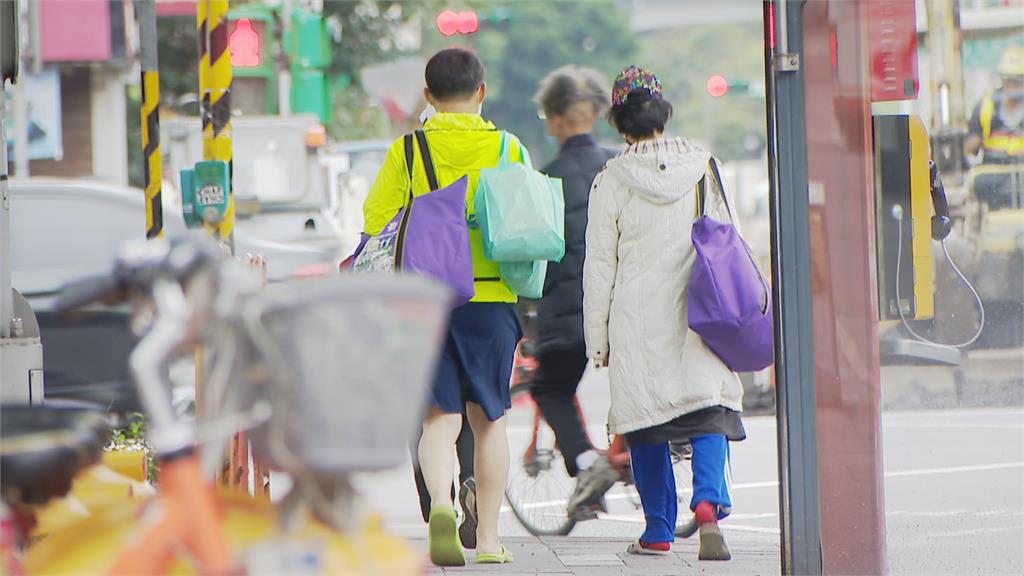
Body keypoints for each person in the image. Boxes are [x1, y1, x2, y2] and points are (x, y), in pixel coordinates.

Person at [362, 47, 526, 567]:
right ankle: (492, 540)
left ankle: (440, 507)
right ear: (482, 92)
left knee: (439, 418)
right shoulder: (507, 148)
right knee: (490, 421)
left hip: (425, 299)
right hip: (490, 296)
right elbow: (523, 225)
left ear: (428, 96)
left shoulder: (407, 151)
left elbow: (374, 222)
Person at [582, 65, 746, 561]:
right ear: (663, 113)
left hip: (636, 318)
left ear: (618, 121)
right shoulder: (703, 165)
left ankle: (657, 529)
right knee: (707, 408)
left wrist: (597, 341)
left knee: (645, 419)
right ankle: (708, 506)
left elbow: (599, 268)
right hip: (698, 310)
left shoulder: (610, 180)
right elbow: (728, 239)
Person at [526, 66, 622, 514]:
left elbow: (537, 253)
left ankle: (586, 463)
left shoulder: (546, 179)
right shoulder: (621, 165)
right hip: (624, 303)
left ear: (559, 119)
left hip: (570, 306)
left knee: (549, 386)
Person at [965, 45, 1024, 163]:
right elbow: (970, 145)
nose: (1014, 87)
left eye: (1019, 81)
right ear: (1002, 80)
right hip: (993, 175)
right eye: (1010, 80)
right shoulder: (986, 107)